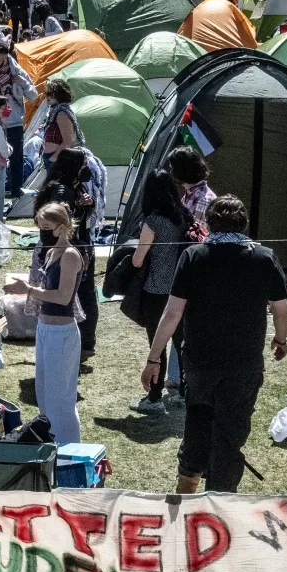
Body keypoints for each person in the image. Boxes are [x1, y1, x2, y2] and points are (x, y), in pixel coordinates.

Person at [142, 195, 287, 493]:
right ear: (244, 223)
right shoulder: (264, 257)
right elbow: (281, 308)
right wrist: (281, 338)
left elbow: (172, 312)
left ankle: (187, 488)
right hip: (243, 361)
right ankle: (221, 499)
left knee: (197, 421)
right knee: (230, 431)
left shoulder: (194, 256)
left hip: (200, 359)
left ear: (209, 222)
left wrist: (154, 357)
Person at [7, 203, 84, 443]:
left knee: (61, 400)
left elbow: (63, 297)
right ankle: (51, 444)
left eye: (47, 228)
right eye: (40, 228)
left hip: (61, 332)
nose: (43, 233)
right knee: (45, 395)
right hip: (45, 328)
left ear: (62, 227)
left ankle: (70, 449)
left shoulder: (70, 255)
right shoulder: (52, 253)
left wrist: (28, 290)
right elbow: (47, 290)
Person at [127, 164, 192, 415]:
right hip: (181, 289)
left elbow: (138, 260)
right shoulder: (183, 215)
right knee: (182, 343)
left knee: (158, 345)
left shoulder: (152, 221)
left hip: (156, 289)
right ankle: (185, 393)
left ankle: (154, 398)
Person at [35, 148, 101, 352]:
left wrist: (87, 206)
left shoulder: (74, 187)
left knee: (80, 295)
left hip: (71, 247)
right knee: (81, 295)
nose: (86, 169)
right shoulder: (62, 191)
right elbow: (60, 222)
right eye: (83, 165)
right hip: (69, 249)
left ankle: (84, 341)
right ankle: (84, 342)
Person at [0, 43, 35, 192]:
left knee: (16, 157)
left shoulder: (17, 72)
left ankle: (16, 188)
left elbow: (33, 95)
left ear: (5, 55)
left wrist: (22, 83)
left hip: (14, 122)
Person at [33, 78, 83, 166]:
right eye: (46, 93)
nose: (46, 97)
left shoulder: (62, 113)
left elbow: (69, 141)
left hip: (57, 159)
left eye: (49, 94)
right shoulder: (54, 111)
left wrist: (55, 157)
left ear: (59, 95)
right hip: (51, 157)